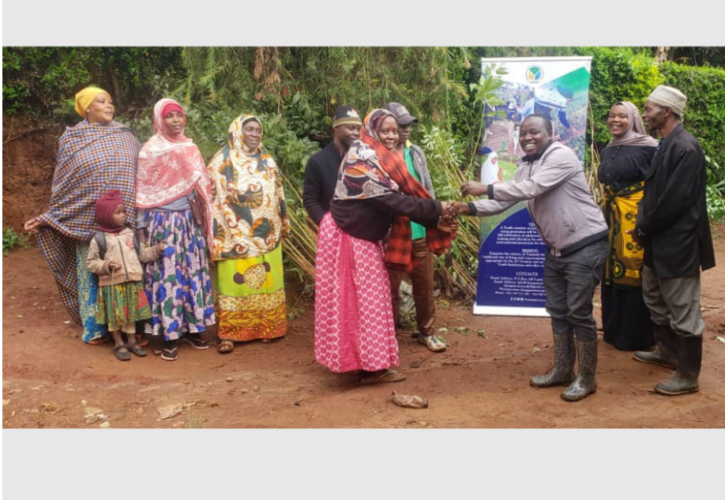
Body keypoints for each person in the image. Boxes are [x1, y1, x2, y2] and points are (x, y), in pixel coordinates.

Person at [458, 114, 609, 402]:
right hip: (556, 250)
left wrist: (485, 186)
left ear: (550, 134)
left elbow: (532, 189)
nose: (527, 137)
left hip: (585, 244)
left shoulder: (561, 156)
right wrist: (466, 208)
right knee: (558, 310)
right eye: (523, 133)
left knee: (578, 311)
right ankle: (563, 371)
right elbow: (503, 201)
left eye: (534, 132)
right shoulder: (525, 167)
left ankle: (587, 379)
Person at [314, 109, 457, 385]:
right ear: (372, 130)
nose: (392, 136)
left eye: (395, 130)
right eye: (386, 131)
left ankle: (367, 363)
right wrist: (440, 208)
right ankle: (367, 367)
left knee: (367, 303)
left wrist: (436, 212)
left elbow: (401, 199)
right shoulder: (363, 157)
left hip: (358, 237)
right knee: (362, 304)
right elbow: (393, 202)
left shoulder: (380, 157)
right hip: (349, 238)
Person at [24, 86, 141, 344]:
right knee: (90, 272)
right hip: (84, 218)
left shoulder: (126, 135)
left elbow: (139, 174)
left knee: (127, 273)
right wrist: (50, 217)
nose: (109, 106)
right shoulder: (72, 139)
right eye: (102, 101)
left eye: (111, 101)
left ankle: (132, 326)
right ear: (88, 107)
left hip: (124, 220)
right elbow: (64, 185)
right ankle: (95, 328)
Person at [630, 85, 716, 396]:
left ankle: (688, 375)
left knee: (683, 307)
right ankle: (668, 352)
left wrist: (643, 228)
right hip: (658, 239)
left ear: (667, 111)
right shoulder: (668, 143)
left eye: (650, 108)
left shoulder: (686, 147)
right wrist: (645, 227)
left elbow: (674, 202)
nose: (645, 113)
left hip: (677, 242)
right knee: (655, 296)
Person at [135, 98, 216, 361]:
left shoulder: (190, 148)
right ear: (160, 119)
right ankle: (169, 335)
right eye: (169, 116)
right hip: (161, 223)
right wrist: (141, 230)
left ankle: (192, 329)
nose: (176, 120)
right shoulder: (150, 151)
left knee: (191, 274)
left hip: (188, 224)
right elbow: (144, 192)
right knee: (167, 278)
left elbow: (202, 184)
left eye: (179, 115)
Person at [207, 114, 290, 354]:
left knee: (265, 282)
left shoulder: (267, 160)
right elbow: (212, 198)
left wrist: (282, 223)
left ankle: (268, 328)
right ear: (237, 132)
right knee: (235, 284)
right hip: (233, 235)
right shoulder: (221, 160)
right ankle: (230, 333)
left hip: (266, 236)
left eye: (258, 130)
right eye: (249, 130)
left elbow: (279, 193)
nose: (254, 134)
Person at [383, 102, 446, 352]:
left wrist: (434, 218)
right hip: (393, 235)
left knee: (424, 286)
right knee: (390, 289)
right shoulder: (378, 156)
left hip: (419, 231)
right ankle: (389, 337)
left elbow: (427, 187)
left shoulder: (416, 153)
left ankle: (427, 332)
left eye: (408, 125)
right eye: (401, 125)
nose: (406, 130)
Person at [597, 101, 659, 352]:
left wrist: (648, 219)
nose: (615, 120)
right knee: (611, 269)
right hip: (611, 217)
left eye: (622, 116)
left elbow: (658, 185)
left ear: (633, 119)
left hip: (635, 218)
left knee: (633, 269)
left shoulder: (650, 148)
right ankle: (613, 329)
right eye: (612, 115)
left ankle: (637, 335)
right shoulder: (609, 149)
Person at [87, 191, 162, 361]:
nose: (123, 216)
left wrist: (157, 250)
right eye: (117, 212)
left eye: (124, 212)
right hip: (112, 285)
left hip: (132, 282)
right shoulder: (99, 239)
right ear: (106, 215)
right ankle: (118, 342)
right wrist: (106, 265)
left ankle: (131, 341)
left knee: (131, 315)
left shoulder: (131, 234)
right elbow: (91, 262)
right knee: (115, 317)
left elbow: (142, 254)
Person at [303, 105, 362, 226]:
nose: (355, 133)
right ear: (336, 128)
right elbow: (310, 200)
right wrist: (327, 225)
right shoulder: (317, 162)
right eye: (350, 128)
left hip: (359, 230)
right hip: (332, 232)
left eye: (358, 129)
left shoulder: (361, 160)